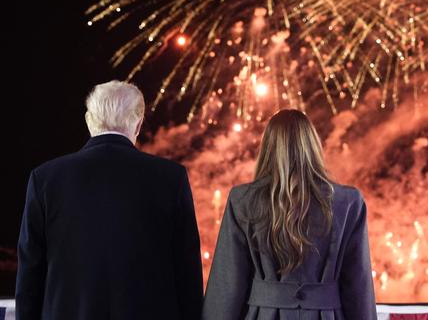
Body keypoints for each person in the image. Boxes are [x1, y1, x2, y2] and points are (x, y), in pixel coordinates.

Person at [16, 80, 203, 320]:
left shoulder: (45, 178)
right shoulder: (171, 178)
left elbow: (30, 273)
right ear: (138, 123)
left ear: (89, 120)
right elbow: (187, 273)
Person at [202, 109, 377, 320]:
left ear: (268, 148)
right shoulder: (348, 202)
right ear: (313, 146)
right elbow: (357, 285)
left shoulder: (242, 199)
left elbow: (228, 284)